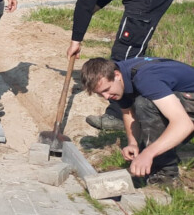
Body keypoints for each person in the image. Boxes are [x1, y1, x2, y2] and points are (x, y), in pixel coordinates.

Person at [38, 0, 176, 132]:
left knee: (126, 52)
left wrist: (76, 39)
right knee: (126, 51)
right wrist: (87, 14)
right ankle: (136, 104)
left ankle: (118, 115)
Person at [81, 56, 194, 186]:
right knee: (144, 104)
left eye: (106, 90)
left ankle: (165, 175)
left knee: (145, 104)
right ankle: (155, 160)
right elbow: (128, 112)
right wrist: (133, 143)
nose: (106, 97)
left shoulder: (145, 79)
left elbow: (184, 124)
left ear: (116, 75)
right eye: (100, 94)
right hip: (185, 98)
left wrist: (148, 153)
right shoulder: (119, 77)